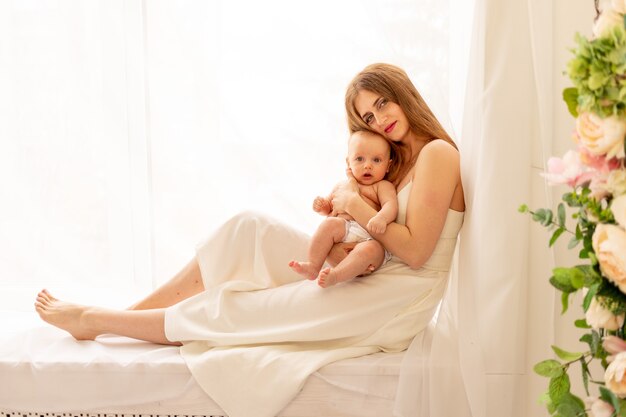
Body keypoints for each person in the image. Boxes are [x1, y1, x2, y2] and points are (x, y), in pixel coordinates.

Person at [34, 63, 465, 417]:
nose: (380, 118)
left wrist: (353, 205)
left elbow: (415, 251)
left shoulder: (437, 153)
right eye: (368, 117)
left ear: (402, 92)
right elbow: (379, 235)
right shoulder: (400, 158)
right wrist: (340, 226)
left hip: (394, 298)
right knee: (248, 231)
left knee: (236, 309)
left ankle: (95, 320)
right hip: (371, 267)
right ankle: (129, 316)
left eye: (382, 102)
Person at [289, 130, 397, 288]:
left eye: (376, 160)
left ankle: (336, 275)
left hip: (370, 236)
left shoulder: (382, 186)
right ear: (348, 163)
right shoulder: (342, 185)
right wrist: (323, 207)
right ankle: (313, 265)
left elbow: (390, 205)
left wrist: (382, 218)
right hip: (345, 229)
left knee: (371, 250)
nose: (367, 165)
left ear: (388, 165)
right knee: (329, 224)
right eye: (359, 159)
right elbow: (330, 208)